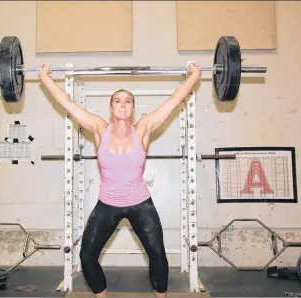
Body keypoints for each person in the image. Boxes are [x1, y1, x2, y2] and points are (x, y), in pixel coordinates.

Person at [39, 62, 201, 297]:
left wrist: (194, 76)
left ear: (133, 108)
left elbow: (174, 101)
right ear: (111, 107)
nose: (123, 104)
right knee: (86, 256)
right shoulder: (99, 129)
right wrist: (44, 77)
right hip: (108, 204)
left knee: (157, 254)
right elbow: (67, 103)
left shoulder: (143, 128)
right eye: (118, 100)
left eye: (128, 101)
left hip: (140, 203)